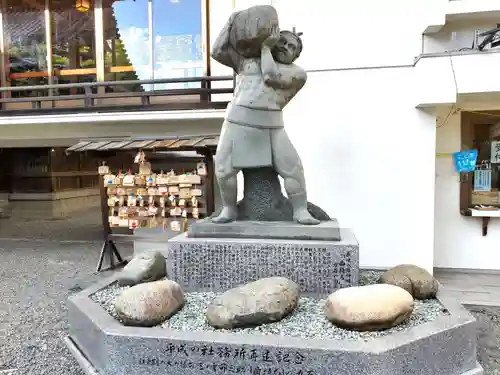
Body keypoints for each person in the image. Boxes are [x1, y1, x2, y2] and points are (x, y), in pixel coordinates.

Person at [211, 22, 320, 225]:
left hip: (272, 124)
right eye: (283, 41)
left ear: (296, 56)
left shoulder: (297, 73)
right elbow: (217, 51)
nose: (285, 47)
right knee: (224, 169)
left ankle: (300, 210)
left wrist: (265, 47)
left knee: (293, 168)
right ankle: (229, 209)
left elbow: (270, 76)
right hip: (237, 119)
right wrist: (231, 22)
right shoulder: (247, 61)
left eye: (291, 47)